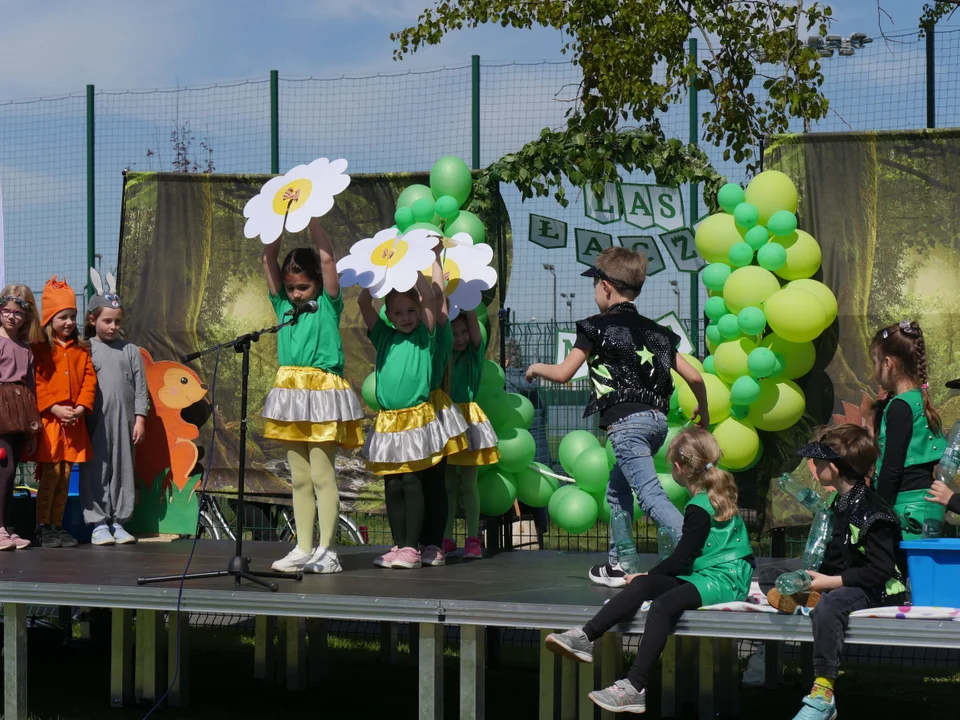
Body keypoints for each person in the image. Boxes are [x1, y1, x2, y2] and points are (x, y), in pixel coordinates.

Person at [525, 247, 709, 587]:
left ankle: (703, 551)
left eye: (595, 284)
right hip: (656, 423)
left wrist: (536, 368)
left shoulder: (595, 328)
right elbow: (695, 377)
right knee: (616, 489)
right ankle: (619, 564)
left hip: (627, 425)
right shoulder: (659, 333)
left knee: (650, 494)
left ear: (606, 286)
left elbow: (565, 373)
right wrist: (705, 413)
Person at [543, 427, 753, 714]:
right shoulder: (709, 495)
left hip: (725, 579)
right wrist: (647, 579)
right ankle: (585, 637)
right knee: (642, 587)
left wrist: (649, 575)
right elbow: (687, 560)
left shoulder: (700, 507)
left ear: (678, 469)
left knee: (662, 605)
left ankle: (635, 686)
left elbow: (681, 559)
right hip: (709, 572)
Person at [767, 425, 907, 720]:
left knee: (830, 607)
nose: (814, 467)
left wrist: (830, 582)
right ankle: (813, 597)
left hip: (877, 588)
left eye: (818, 462)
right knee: (771, 575)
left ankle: (823, 693)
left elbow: (880, 571)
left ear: (833, 467)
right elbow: (834, 552)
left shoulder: (874, 512)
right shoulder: (839, 500)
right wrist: (812, 572)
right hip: (842, 576)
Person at [261, 219, 365, 575]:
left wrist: (314, 217)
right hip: (290, 392)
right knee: (300, 478)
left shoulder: (328, 304)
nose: (296, 294)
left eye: (303, 287)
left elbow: (328, 259)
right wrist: (279, 218)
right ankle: (303, 547)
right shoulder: (282, 306)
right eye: (291, 288)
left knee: (323, 475)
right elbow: (267, 259)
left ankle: (328, 550)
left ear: (318, 284)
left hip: (322, 391)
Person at [359, 255, 465, 570]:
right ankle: (401, 544)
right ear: (389, 316)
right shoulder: (385, 337)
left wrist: (419, 261)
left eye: (411, 311)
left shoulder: (425, 336)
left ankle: (415, 546)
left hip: (418, 416)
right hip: (389, 420)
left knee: (416, 481)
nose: (405, 317)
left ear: (419, 312)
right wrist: (381, 266)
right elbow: (365, 303)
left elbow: (434, 297)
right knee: (392, 483)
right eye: (398, 312)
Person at [27, 277, 96, 548]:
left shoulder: (82, 350)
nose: (68, 322)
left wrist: (80, 408)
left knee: (66, 477)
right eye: (62, 317)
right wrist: (54, 407)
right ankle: (42, 526)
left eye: (72, 316)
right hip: (51, 424)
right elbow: (37, 381)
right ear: (49, 320)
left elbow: (89, 380)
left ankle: (57, 525)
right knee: (50, 475)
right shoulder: (40, 349)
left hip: (73, 424)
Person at [80, 283, 148, 546]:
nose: (113, 326)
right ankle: (98, 523)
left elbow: (141, 389)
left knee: (123, 469)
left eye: (117, 321)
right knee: (96, 469)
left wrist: (140, 418)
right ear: (92, 319)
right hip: (95, 423)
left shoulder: (130, 351)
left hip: (125, 422)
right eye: (107, 321)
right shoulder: (86, 348)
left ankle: (119, 521)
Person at [869, 321, 945, 540]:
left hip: (906, 509)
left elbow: (892, 467)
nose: (874, 372)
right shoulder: (919, 400)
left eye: (875, 363)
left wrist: (877, 512)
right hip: (925, 506)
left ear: (887, 363)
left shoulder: (901, 406)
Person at [419, 251, 468, 567]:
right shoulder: (408, 333)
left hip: (432, 413)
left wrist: (433, 259)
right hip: (409, 414)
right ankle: (414, 543)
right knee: (414, 481)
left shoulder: (437, 331)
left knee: (434, 481)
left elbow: (436, 299)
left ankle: (433, 543)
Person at [443, 309, 500, 560]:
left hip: (468, 420)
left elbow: (476, 334)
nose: (461, 338)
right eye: (454, 333)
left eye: (464, 331)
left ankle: (473, 538)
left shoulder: (474, 355)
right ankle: (446, 538)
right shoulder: (442, 355)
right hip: (445, 420)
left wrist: (466, 305)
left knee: (468, 484)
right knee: (448, 485)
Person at [0, 286, 43, 550]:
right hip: (1, 413)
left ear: (26, 317)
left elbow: (31, 390)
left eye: (18, 313)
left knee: (12, 469)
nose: (11, 316)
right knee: (2, 468)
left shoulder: (26, 349)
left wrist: (33, 432)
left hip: (19, 414)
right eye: (6, 310)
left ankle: (7, 527)